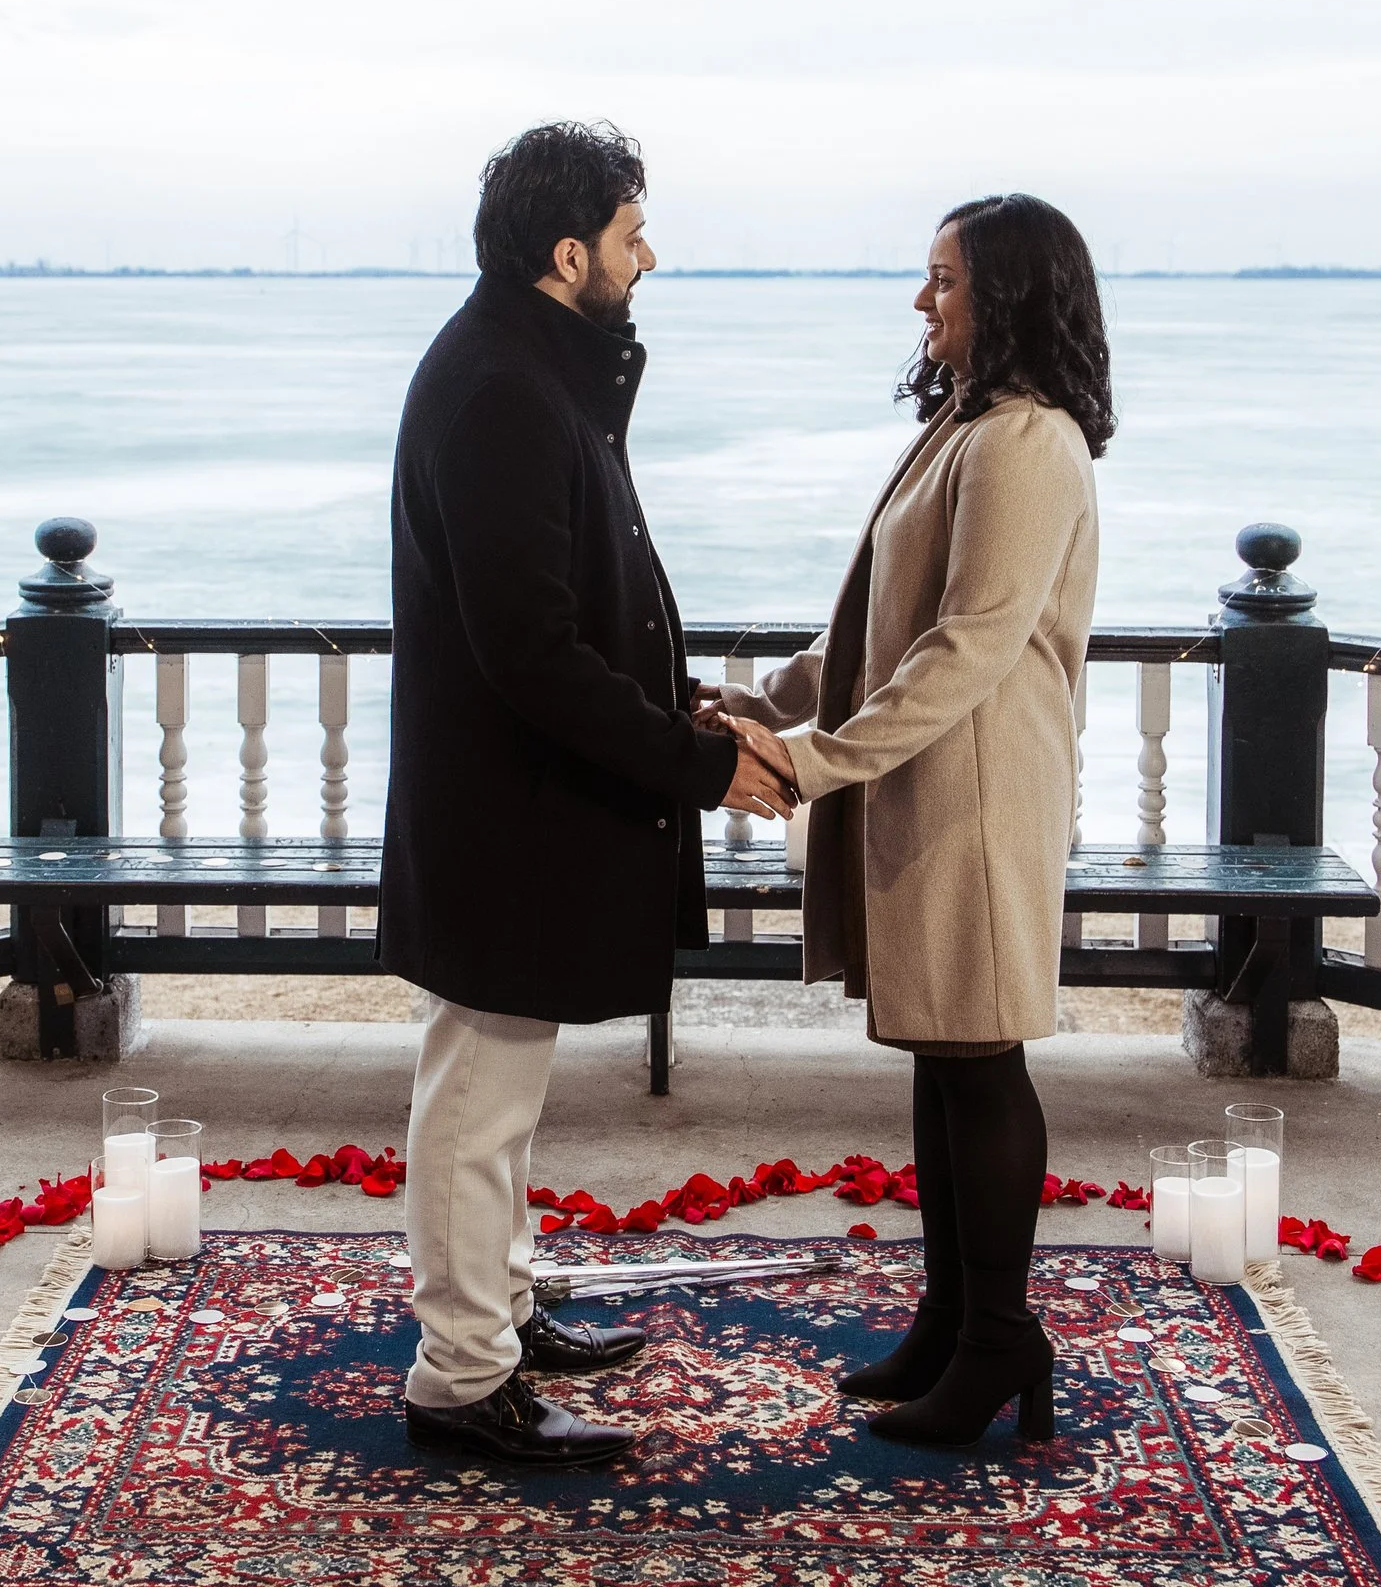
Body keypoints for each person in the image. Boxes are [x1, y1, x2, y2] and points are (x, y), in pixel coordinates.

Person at [380, 119, 792, 1472]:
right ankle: (461, 1378)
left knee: (492, 1087)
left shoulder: (525, 363)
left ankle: (495, 1312)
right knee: (480, 1098)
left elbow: (560, 610)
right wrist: (697, 761)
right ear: (571, 254)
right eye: (630, 233)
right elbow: (532, 653)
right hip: (512, 812)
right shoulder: (503, 386)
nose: (647, 255)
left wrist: (674, 707)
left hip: (518, 805)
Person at [714, 196, 1112, 1452]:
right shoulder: (965, 424)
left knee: (981, 1058)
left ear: (1007, 294)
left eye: (942, 279)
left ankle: (1002, 1338)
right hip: (931, 786)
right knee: (946, 1059)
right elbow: (874, 627)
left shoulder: (1028, 443)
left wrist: (816, 760)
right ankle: (955, 1316)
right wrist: (757, 702)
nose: (921, 300)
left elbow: (967, 647)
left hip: (981, 798)